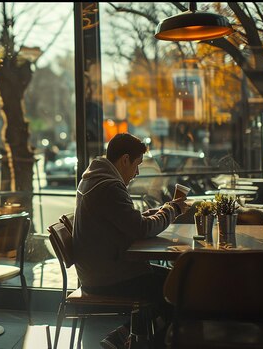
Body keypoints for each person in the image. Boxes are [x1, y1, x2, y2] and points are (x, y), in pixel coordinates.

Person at [72, 133, 188, 349]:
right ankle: (154, 343)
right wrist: (172, 209)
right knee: (176, 288)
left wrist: (159, 212)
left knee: (173, 279)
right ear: (125, 159)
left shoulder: (95, 179)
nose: (137, 172)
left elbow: (127, 221)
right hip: (107, 277)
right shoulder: (109, 187)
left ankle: (123, 336)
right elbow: (140, 228)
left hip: (98, 269)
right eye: (137, 165)